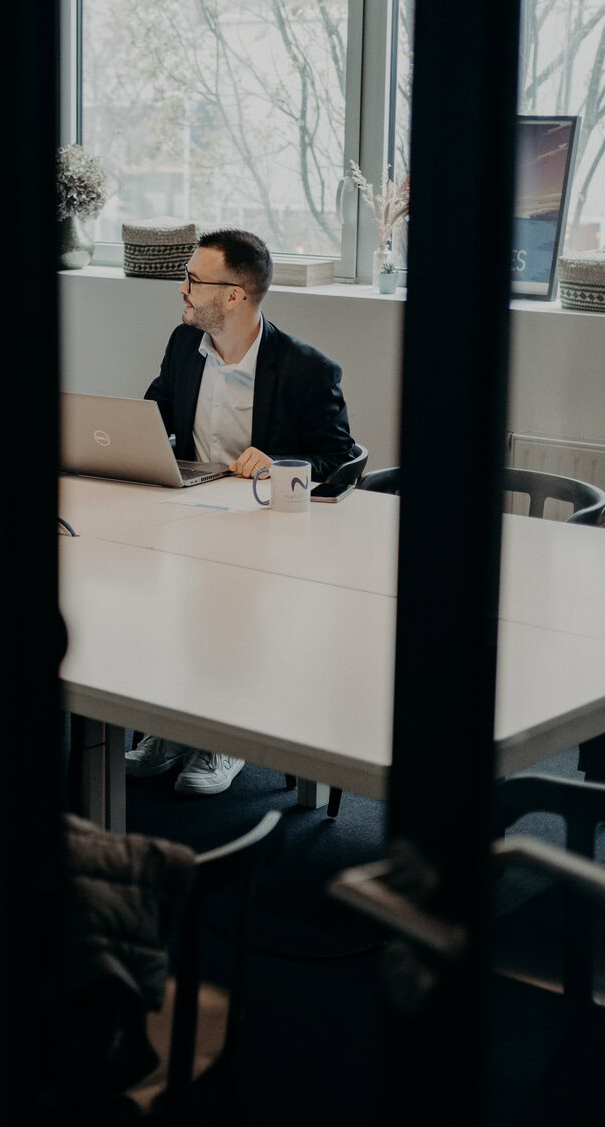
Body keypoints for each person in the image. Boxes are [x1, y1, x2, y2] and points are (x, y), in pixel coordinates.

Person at [130, 228, 360, 795]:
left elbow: (338, 456)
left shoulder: (306, 367)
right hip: (191, 508)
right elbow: (156, 411)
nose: (181, 289)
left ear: (234, 294)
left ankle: (224, 739)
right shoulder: (185, 345)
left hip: (265, 527)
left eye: (193, 279)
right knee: (150, 601)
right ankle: (171, 726)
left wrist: (280, 460)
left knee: (225, 607)